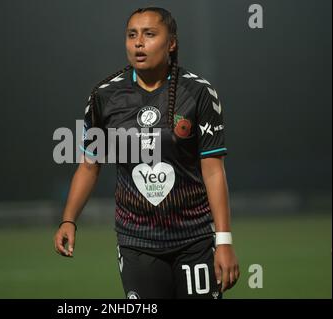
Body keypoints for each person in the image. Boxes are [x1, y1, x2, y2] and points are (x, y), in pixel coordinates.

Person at [54, 7, 239, 299]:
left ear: (172, 43)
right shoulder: (103, 96)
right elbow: (89, 166)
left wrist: (224, 240)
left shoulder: (199, 93)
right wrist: (68, 219)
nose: (138, 42)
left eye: (149, 34)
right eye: (132, 35)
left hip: (195, 241)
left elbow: (213, 170)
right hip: (137, 242)